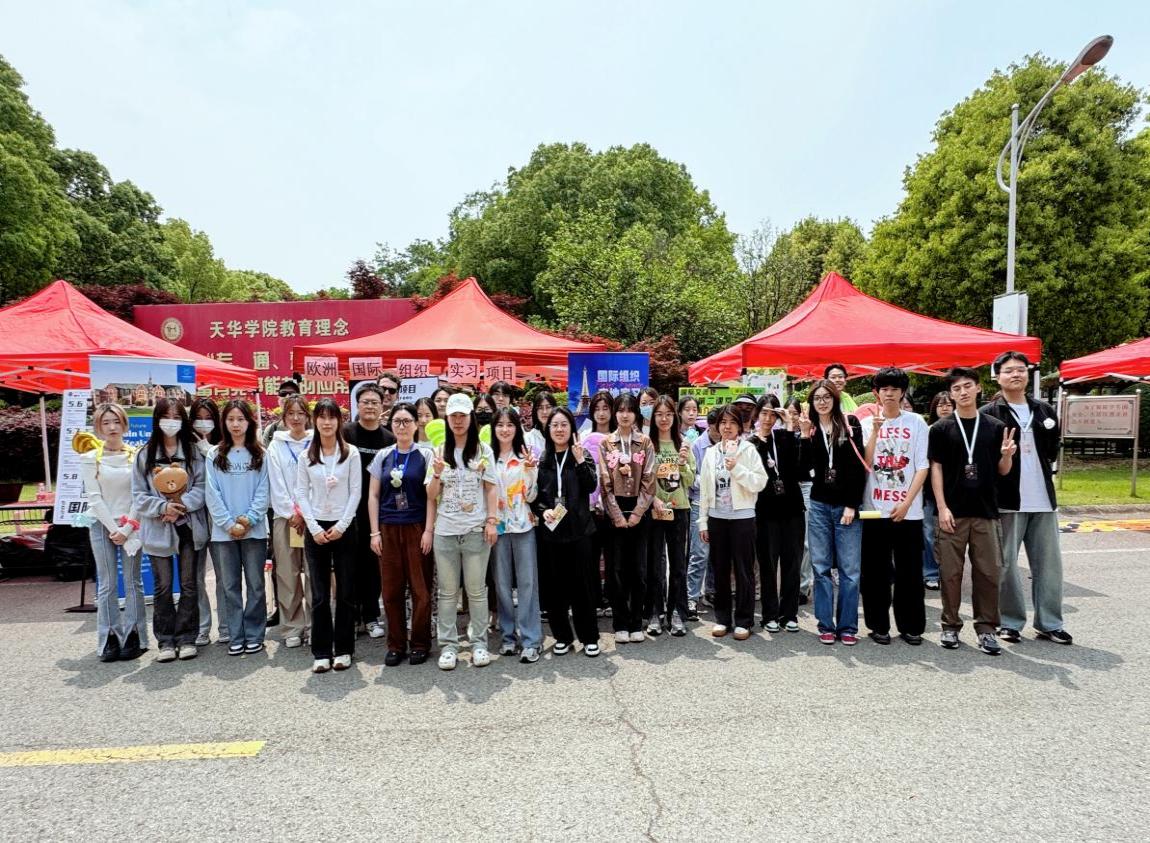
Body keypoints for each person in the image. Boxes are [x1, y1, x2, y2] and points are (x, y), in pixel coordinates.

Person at [982, 351, 1072, 645]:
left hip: (1043, 500)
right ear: (997, 376)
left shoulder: (1044, 410)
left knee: (1049, 566)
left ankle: (1050, 623)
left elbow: (1052, 450)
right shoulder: (989, 414)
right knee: (1006, 565)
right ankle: (1010, 622)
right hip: (1007, 501)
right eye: (1008, 371)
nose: (1016, 375)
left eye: (1020, 369)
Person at [929, 367, 1015, 655]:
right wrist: (942, 507)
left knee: (988, 573)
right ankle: (950, 626)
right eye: (956, 388)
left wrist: (1006, 456)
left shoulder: (994, 426)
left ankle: (987, 629)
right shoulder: (941, 429)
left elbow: (1003, 471)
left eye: (967, 386)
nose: (963, 392)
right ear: (951, 394)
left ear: (978, 388)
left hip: (986, 511)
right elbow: (936, 468)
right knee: (950, 573)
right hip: (952, 512)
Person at [132, 398, 208, 663]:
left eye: (177, 416)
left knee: (189, 584)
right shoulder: (144, 454)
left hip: (188, 526)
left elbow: (202, 487)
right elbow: (138, 495)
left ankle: (187, 637)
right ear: (157, 419)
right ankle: (165, 640)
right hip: (158, 528)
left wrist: (181, 505)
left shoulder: (193, 452)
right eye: (166, 416)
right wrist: (162, 507)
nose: (171, 422)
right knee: (163, 586)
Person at [426, 393, 499, 670]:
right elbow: (431, 495)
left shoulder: (483, 450)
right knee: (447, 593)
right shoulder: (438, 450)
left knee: (477, 590)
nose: (458, 421)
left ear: (471, 418)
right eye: (453, 416)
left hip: (475, 531)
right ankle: (448, 646)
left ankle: (479, 642)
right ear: (447, 418)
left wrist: (491, 521)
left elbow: (491, 488)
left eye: (463, 416)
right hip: (445, 532)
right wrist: (436, 473)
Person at [859, 368, 930, 646]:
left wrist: (907, 502)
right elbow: (865, 464)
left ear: (902, 393)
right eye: (884, 389)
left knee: (909, 571)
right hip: (873, 508)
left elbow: (922, 465)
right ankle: (878, 625)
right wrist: (876, 432)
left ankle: (911, 626)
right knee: (874, 571)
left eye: (894, 389)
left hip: (909, 510)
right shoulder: (866, 423)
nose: (889, 394)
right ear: (876, 393)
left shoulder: (917, 422)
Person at [367, 402, 436, 667]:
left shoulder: (426, 454)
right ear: (391, 425)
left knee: (421, 590)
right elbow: (373, 495)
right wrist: (375, 532)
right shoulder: (383, 455)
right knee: (391, 591)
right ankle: (395, 644)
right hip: (387, 528)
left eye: (407, 421)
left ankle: (420, 643)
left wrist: (428, 530)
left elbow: (431, 497)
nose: (402, 426)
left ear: (416, 424)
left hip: (416, 527)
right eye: (397, 421)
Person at [296, 399, 362, 673]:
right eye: (321, 417)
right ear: (315, 421)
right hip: (316, 529)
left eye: (331, 417)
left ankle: (344, 649)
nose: (326, 422)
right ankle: (321, 651)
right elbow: (301, 493)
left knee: (345, 592)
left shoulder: (351, 453)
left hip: (344, 527)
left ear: (339, 421)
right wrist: (313, 528)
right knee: (320, 594)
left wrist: (342, 525)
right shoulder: (306, 456)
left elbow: (356, 491)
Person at [800, 380, 866, 645]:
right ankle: (825, 624)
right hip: (818, 505)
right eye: (817, 398)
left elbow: (857, 468)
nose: (822, 402)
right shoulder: (811, 429)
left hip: (845, 506)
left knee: (850, 570)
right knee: (821, 567)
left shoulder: (850, 424)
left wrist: (852, 504)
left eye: (827, 396)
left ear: (835, 399)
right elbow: (803, 471)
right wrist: (803, 435)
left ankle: (848, 626)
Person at [80, 403, 147, 662]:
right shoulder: (90, 458)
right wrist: (114, 529)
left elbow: (139, 494)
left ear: (125, 425)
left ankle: (135, 635)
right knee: (107, 583)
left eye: (116, 422)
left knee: (132, 582)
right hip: (102, 525)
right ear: (98, 427)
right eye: (106, 423)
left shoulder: (136, 455)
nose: (112, 427)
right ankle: (109, 636)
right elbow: (94, 497)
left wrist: (128, 527)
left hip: (132, 524)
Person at [533, 407, 601, 656]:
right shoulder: (543, 460)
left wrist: (580, 460)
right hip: (551, 533)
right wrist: (543, 511)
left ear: (572, 428)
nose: (559, 429)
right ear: (548, 430)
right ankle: (562, 636)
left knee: (582, 586)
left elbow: (591, 485)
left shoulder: (581, 454)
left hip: (579, 531)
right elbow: (537, 497)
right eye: (555, 425)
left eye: (564, 424)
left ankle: (589, 637)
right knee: (555, 587)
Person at [205, 400, 270, 656]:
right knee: (229, 586)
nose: (235, 424)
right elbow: (212, 493)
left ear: (249, 422)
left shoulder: (261, 454)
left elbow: (264, 490)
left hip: (254, 530)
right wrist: (228, 524)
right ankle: (235, 634)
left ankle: (254, 634)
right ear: (224, 423)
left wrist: (250, 519)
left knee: (255, 584)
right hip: (224, 534)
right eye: (230, 419)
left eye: (240, 419)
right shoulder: (214, 454)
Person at [698, 404, 767, 640]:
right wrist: (703, 521)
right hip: (717, 517)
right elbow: (705, 489)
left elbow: (759, 482)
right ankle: (722, 619)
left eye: (732, 422)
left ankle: (744, 621)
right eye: (723, 422)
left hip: (742, 518)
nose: (727, 427)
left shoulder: (748, 450)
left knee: (744, 570)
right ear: (717, 426)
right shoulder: (711, 453)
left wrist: (737, 468)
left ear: (740, 426)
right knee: (720, 570)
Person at [598, 392, 657, 644]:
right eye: (620, 410)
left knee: (639, 569)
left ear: (636, 414)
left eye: (629, 410)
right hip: (614, 511)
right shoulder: (606, 443)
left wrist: (637, 513)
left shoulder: (645, 442)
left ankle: (636, 621)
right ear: (615, 413)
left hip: (639, 511)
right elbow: (605, 482)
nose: (625, 415)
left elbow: (650, 480)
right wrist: (616, 515)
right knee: (616, 569)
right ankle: (620, 622)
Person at [488, 407, 543, 662]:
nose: (505, 429)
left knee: (527, 583)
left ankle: (531, 639)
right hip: (497, 528)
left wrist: (531, 471)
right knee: (501, 584)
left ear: (517, 428)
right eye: (500, 424)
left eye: (510, 424)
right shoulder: (486, 457)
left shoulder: (525, 457)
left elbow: (531, 496)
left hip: (523, 526)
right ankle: (508, 637)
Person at [343, 383, 396, 640]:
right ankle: (352, 617)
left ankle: (372, 615)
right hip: (348, 510)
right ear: (357, 404)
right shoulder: (346, 433)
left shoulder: (389, 439)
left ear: (382, 405)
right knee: (349, 564)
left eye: (375, 402)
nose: (370, 406)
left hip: (377, 512)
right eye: (365, 402)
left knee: (373, 565)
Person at [749, 395, 804, 634]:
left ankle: (789, 614)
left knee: (792, 562)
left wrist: (789, 425)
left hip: (792, 508)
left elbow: (794, 468)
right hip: (766, 511)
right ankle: (770, 614)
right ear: (757, 414)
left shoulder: (784, 437)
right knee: (768, 564)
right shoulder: (750, 443)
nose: (768, 419)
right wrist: (761, 440)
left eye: (773, 414)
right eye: (764, 413)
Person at [646, 396, 696, 636]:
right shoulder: (647, 444)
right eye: (659, 414)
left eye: (668, 414)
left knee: (678, 564)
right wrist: (653, 499)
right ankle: (655, 612)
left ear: (674, 417)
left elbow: (690, 481)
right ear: (653, 417)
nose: (664, 419)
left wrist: (683, 463)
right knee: (655, 564)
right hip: (654, 510)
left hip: (679, 508)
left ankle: (677, 612)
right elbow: (643, 479)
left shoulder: (684, 444)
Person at [266, 395, 312, 649]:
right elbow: (276, 483)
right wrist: (291, 512)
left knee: (314, 573)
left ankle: (316, 623)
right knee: (287, 573)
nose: (296, 418)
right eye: (291, 413)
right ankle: (293, 626)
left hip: (313, 517)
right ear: (284, 418)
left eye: (300, 413)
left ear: (307, 416)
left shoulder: (316, 441)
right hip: (285, 518)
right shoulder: (276, 445)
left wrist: (306, 512)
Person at [189, 397, 227, 646]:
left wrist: (208, 451)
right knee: (195, 576)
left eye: (208, 418)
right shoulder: (185, 448)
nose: (203, 423)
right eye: (198, 418)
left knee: (225, 576)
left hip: (220, 517)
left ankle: (226, 625)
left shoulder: (225, 446)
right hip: (194, 517)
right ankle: (202, 627)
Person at [686, 408, 720, 619]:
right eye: (716, 428)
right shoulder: (698, 445)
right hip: (701, 502)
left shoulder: (730, 443)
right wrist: (712, 480)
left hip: (724, 504)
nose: (720, 432)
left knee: (718, 553)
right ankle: (691, 596)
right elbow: (692, 478)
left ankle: (712, 591)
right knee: (699, 553)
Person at [922, 392, 955, 590]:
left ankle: (949, 572)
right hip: (928, 490)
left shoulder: (961, 429)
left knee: (951, 533)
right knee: (928, 533)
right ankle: (930, 572)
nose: (945, 408)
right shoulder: (927, 430)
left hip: (953, 490)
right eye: (940, 405)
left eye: (948, 404)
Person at [787, 396, 815, 605]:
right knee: (789, 541)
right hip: (786, 489)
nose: (792, 417)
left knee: (805, 541)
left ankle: (802, 587)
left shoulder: (810, 434)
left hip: (805, 487)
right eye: (788, 413)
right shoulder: (780, 436)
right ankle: (788, 585)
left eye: (795, 413)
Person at [261, 379, 302, 446]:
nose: (287, 397)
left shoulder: (312, 428)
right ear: (278, 398)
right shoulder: (271, 431)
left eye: (292, 394)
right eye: (283, 393)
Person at [525, 390, 558, 455]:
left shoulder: (561, 434)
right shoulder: (528, 438)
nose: (544, 412)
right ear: (535, 411)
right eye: (540, 408)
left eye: (548, 407)